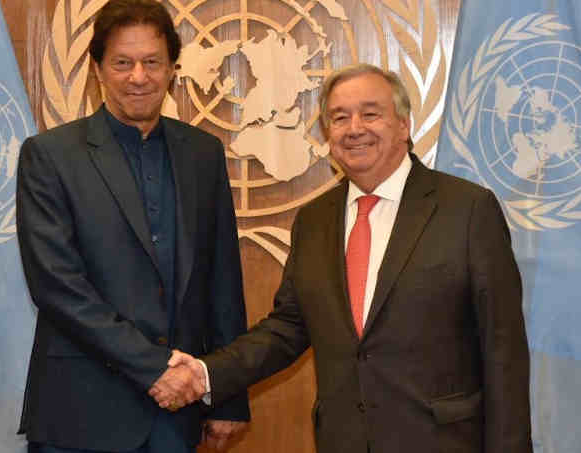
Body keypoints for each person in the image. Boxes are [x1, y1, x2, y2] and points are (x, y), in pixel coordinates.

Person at [154, 63, 533, 453]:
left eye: (371, 114)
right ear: (327, 133)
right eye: (339, 117)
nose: (354, 129)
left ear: (403, 125)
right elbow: (288, 328)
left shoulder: (468, 210)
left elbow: (503, 352)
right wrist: (205, 372)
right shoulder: (315, 220)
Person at [15, 1, 249, 452]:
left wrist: (228, 395)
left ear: (172, 70)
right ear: (97, 69)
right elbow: (57, 285)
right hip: (82, 412)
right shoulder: (50, 156)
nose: (138, 77)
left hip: (176, 417)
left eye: (152, 63)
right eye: (122, 63)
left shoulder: (203, 153)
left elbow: (222, 280)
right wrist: (157, 366)